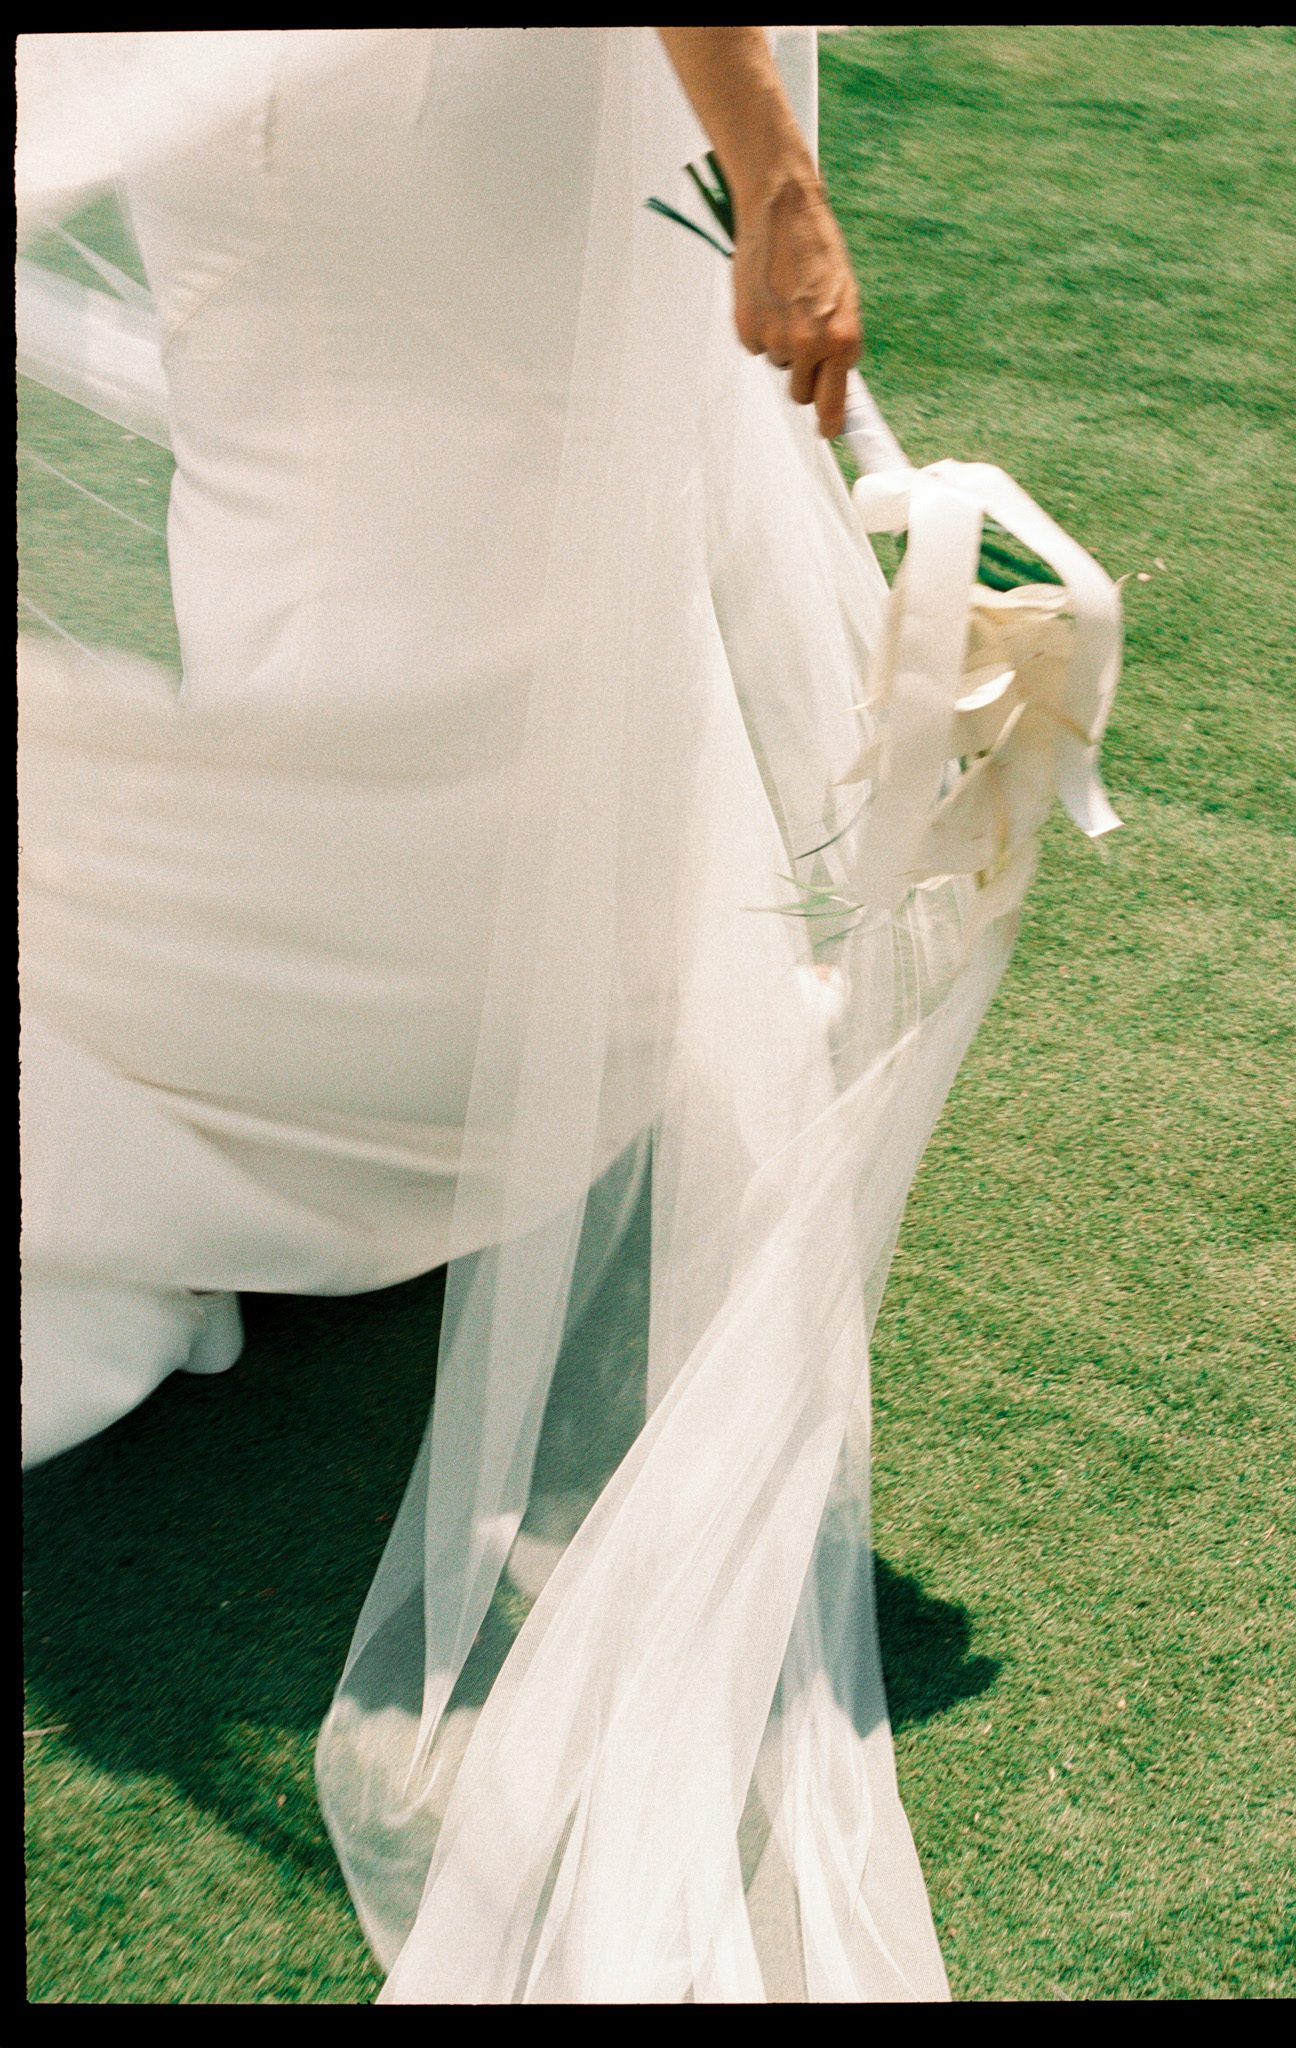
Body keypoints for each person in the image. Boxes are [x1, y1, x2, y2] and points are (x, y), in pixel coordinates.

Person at [20, 27, 1118, 2001]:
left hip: (239, 104)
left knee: (300, 508)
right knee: (511, 551)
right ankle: (367, 1067)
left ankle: (259, 1041)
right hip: (471, 88)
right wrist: (771, 170)